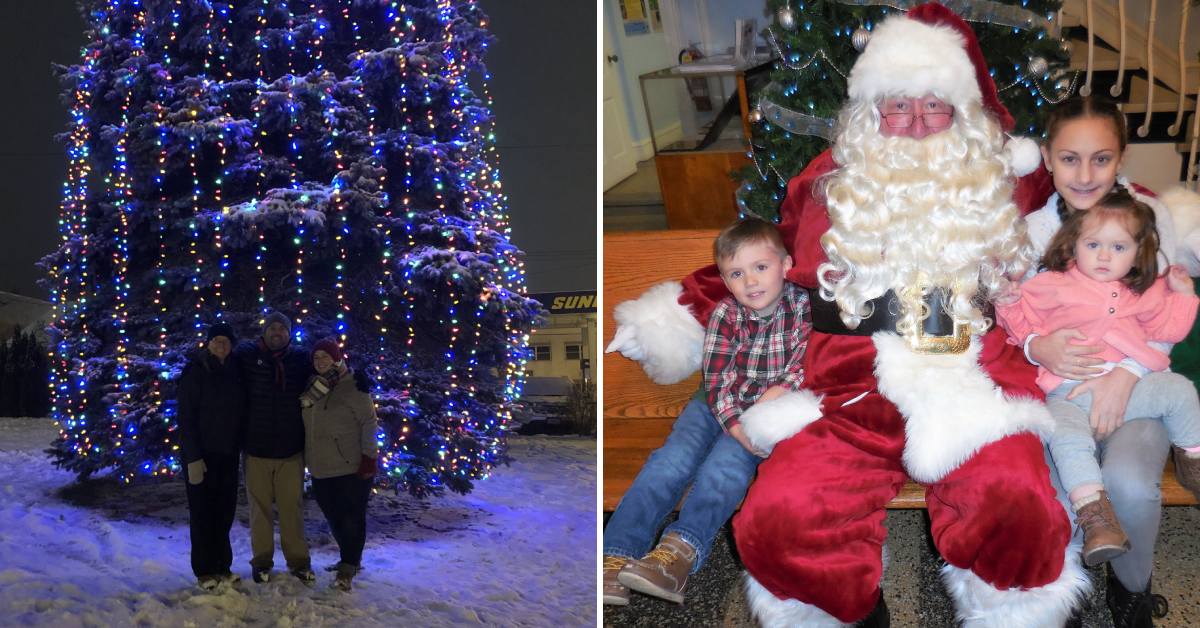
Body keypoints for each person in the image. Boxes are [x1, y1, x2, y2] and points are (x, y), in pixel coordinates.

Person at [606, 4, 1088, 625]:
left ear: (963, 112)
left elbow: (1095, 200)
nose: (916, 125)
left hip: (972, 389)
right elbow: (769, 252)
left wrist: (1170, 227)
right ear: (871, 111)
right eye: (898, 106)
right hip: (844, 394)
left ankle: (1011, 612)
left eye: (935, 105)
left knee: (1016, 501)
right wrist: (679, 312)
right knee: (780, 517)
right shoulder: (828, 182)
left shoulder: (1001, 177)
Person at [1022, 94, 1198, 626]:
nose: (1084, 174)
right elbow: (1018, 314)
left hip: (1137, 385)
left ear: (1120, 158)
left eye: (1101, 158)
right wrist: (1037, 346)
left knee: (1126, 481)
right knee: (1054, 487)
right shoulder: (1032, 231)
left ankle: (1132, 589)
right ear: (1048, 159)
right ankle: (1069, 588)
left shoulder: (1151, 217)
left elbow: (1162, 310)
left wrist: (1128, 374)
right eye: (1070, 158)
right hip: (1063, 389)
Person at [603, 218, 813, 607]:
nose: (750, 281)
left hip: (763, 414)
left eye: (760, 267)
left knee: (723, 471)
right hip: (711, 406)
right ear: (725, 279)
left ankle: (677, 556)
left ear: (785, 265)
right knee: (670, 463)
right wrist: (732, 423)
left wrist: (777, 394)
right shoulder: (725, 315)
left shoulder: (802, 307)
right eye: (736, 273)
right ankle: (615, 554)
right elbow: (716, 380)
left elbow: (805, 360)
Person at [996, 190, 1200, 570]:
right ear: (1074, 245)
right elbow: (1022, 323)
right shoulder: (1052, 283)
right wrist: (1008, 299)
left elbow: (1169, 329)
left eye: (1118, 247)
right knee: (1064, 436)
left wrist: (1185, 296)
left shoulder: (1146, 290)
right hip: (1069, 392)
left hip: (1132, 390)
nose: (1105, 256)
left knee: (1180, 390)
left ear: (1138, 252)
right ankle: (1095, 517)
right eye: (1093, 244)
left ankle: (1194, 461)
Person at [234, 311, 315, 584]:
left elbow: (328, 371)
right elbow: (221, 362)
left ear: (289, 334)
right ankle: (262, 562)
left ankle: (299, 562)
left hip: (290, 450)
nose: (277, 332)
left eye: (282, 328)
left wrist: (348, 374)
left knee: (291, 508)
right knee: (260, 511)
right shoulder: (247, 357)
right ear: (264, 331)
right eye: (272, 328)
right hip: (256, 449)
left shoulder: (301, 360)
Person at [301, 338, 379, 591]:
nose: (321, 361)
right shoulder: (313, 387)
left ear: (337, 358)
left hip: (350, 466)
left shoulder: (353, 385)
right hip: (321, 466)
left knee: (351, 517)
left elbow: (369, 422)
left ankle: (349, 564)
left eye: (326, 357)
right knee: (333, 516)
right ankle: (348, 557)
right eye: (316, 358)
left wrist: (369, 457)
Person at [177, 321, 246, 590]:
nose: (221, 344)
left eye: (226, 341)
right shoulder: (195, 372)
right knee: (203, 513)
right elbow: (186, 418)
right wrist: (193, 456)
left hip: (227, 455)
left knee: (224, 513)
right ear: (208, 343)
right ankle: (204, 570)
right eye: (217, 340)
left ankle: (222, 566)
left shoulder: (236, 371)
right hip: (200, 457)